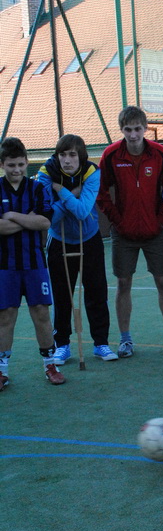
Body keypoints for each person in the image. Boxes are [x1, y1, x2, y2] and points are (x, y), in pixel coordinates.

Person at [97, 105, 163, 359]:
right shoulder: (111, 155)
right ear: (121, 130)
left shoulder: (160, 153)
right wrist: (117, 221)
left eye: (137, 129)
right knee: (123, 284)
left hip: (155, 232)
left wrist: (161, 220)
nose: (133, 135)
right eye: (128, 129)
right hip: (124, 234)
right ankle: (125, 340)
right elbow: (101, 193)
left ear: (145, 129)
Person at [37, 134, 117, 364]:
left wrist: (61, 192)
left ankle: (101, 343)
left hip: (89, 237)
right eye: (62, 154)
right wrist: (72, 194)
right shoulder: (46, 173)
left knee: (96, 293)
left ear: (80, 156)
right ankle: (62, 345)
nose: (67, 160)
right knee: (62, 296)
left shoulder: (91, 171)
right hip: (59, 239)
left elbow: (83, 212)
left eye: (72, 155)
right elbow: (49, 218)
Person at [0, 137, 65, 388]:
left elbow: (45, 222)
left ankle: (50, 365)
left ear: (27, 162)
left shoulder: (37, 188)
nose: (16, 170)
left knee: (41, 313)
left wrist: (12, 216)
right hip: (5, 266)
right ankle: (2, 370)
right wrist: (27, 220)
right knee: (6, 316)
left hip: (35, 264)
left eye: (20, 164)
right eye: (11, 165)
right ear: (2, 164)